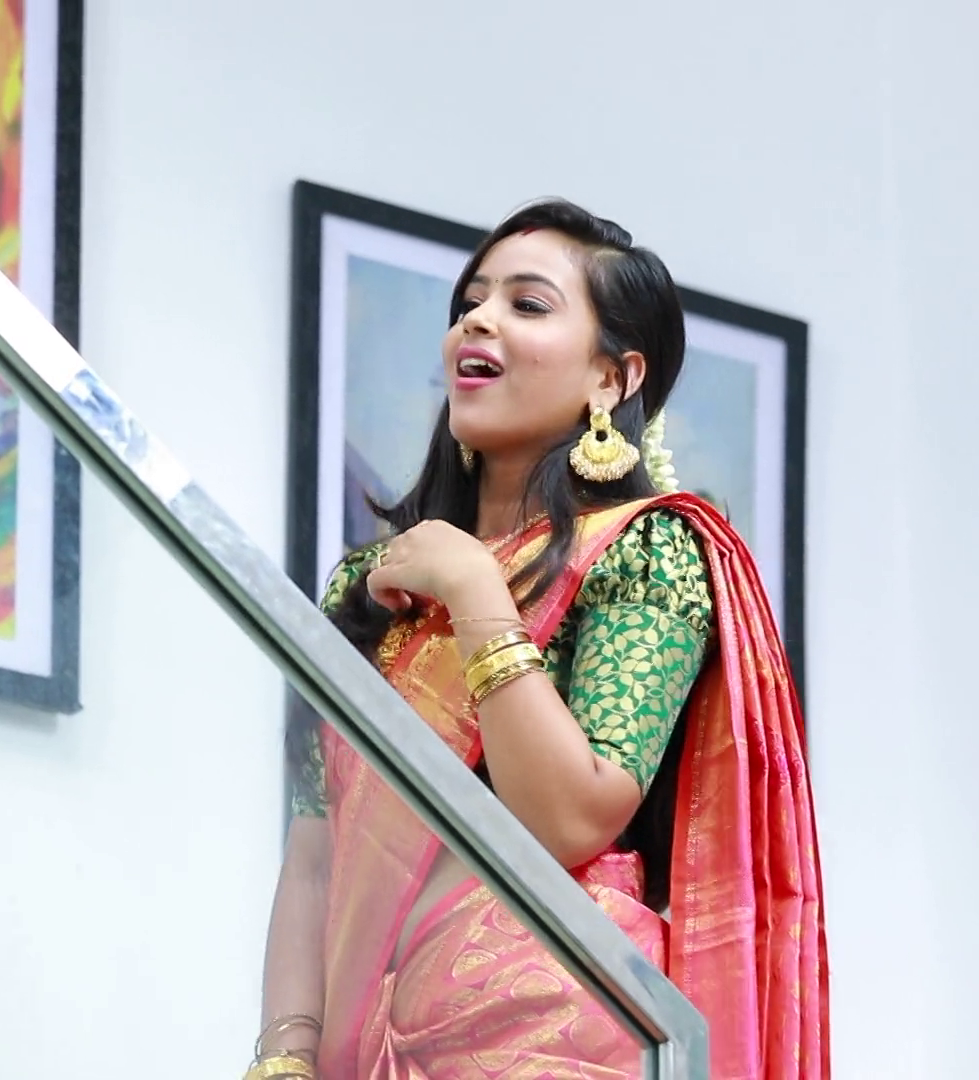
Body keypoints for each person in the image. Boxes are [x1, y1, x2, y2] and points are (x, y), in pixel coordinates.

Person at [249, 200, 827, 1080]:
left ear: (612, 379)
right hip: (365, 1044)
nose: (477, 321)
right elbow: (316, 852)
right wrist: (284, 1055)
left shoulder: (645, 549)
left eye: (526, 304)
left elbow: (572, 817)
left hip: (549, 1033)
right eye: (470, 302)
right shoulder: (368, 585)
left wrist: (476, 589)